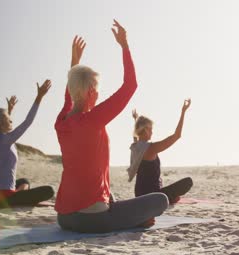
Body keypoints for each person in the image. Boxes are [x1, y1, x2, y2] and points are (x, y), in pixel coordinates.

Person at [55, 20, 169, 233]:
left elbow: (69, 96)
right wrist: (124, 46)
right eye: (96, 90)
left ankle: (126, 216)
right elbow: (130, 85)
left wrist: (74, 63)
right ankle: (132, 220)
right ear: (90, 92)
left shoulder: (61, 121)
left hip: (64, 217)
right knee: (160, 200)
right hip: (92, 219)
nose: (98, 95)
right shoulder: (93, 119)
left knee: (112, 198)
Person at [0, 80, 55, 208]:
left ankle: (17, 194)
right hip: (3, 199)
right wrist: (39, 97)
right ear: (0, 123)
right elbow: (28, 121)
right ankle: (17, 196)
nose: (11, 121)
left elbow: (3, 129)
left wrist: (9, 110)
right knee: (49, 191)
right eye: (8, 119)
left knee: (24, 181)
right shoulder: (6, 140)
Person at [127, 100, 193, 204]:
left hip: (139, 194)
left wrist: (136, 120)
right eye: (151, 129)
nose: (152, 132)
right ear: (145, 130)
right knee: (188, 182)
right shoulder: (151, 148)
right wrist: (183, 111)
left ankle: (169, 199)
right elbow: (177, 136)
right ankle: (167, 200)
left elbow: (136, 137)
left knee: (172, 195)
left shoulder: (136, 147)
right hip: (153, 196)